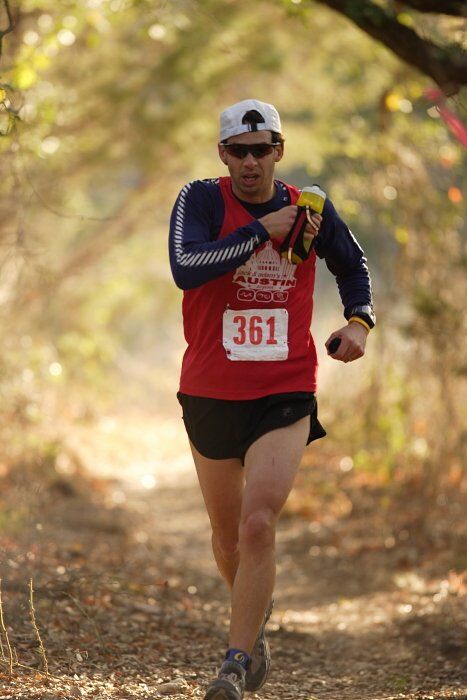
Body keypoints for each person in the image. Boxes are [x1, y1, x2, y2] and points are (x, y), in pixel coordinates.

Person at [169, 98, 375, 700]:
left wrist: (359, 322)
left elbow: (352, 263)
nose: (251, 162)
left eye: (263, 150)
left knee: (260, 525)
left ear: (279, 151)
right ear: (223, 155)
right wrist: (260, 231)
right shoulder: (202, 200)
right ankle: (252, 621)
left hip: (285, 386)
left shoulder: (309, 210)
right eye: (240, 151)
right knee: (229, 537)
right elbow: (186, 268)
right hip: (209, 388)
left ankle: (234, 665)